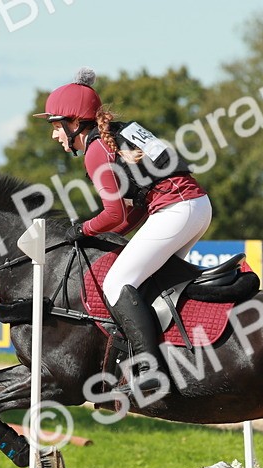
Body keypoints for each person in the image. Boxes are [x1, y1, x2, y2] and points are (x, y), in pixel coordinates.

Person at [34, 68, 212, 396]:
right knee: (152, 285)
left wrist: (82, 229)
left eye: (56, 126)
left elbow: (115, 212)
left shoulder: (96, 149)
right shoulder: (114, 135)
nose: (55, 135)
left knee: (117, 283)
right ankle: (176, 354)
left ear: (74, 122)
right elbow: (131, 212)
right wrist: (107, 233)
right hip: (195, 206)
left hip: (177, 209)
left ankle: (150, 371)